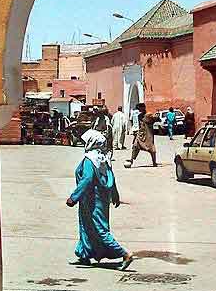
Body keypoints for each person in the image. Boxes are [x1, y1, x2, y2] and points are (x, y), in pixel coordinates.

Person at [66, 129, 133, 269]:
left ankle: (124, 254)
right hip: (101, 199)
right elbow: (111, 177)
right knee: (86, 225)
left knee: (100, 229)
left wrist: (74, 197)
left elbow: (87, 179)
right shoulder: (103, 158)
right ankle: (84, 254)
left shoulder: (89, 160)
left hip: (92, 200)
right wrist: (115, 194)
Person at [125, 103, 160, 168]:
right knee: (135, 146)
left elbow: (156, 119)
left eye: (140, 108)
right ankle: (131, 160)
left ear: (143, 107)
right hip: (140, 134)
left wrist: (157, 117)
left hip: (148, 134)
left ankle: (154, 162)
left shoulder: (149, 115)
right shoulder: (139, 116)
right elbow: (140, 126)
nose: (139, 110)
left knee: (152, 149)